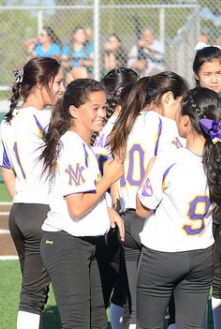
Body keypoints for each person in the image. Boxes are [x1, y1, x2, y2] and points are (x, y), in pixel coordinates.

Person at [135, 87, 221, 329]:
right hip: (201, 253)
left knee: (148, 325)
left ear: (184, 121)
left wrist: (150, 170)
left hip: (162, 255)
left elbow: (142, 208)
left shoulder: (170, 159)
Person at [39, 78, 125, 328]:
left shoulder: (81, 145)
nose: (102, 113)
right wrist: (108, 178)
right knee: (78, 322)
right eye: (95, 108)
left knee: (96, 320)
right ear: (73, 111)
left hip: (79, 243)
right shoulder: (73, 147)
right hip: (66, 243)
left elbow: (83, 194)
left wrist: (106, 208)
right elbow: (76, 208)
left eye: (104, 107)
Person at [108, 72, 188, 329]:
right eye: (179, 103)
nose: (180, 111)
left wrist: (116, 201)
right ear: (167, 98)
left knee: (136, 309)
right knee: (174, 303)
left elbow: (115, 166)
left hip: (127, 218)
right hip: (153, 218)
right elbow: (169, 168)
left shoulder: (126, 121)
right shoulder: (166, 126)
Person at [0, 57, 63, 329]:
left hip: (20, 211)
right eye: (57, 82)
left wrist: (20, 199)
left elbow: (5, 168)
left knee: (33, 289)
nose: (61, 88)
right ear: (40, 83)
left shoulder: (8, 120)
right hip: (42, 211)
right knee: (34, 296)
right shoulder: (46, 119)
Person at [191, 43, 221, 329]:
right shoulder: (188, 105)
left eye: (219, 72)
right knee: (194, 270)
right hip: (194, 194)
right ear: (197, 75)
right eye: (208, 73)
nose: (214, 79)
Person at [92, 67, 139, 329]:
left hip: (97, 211)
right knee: (127, 289)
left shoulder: (97, 124)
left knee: (106, 286)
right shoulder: (127, 127)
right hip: (117, 211)